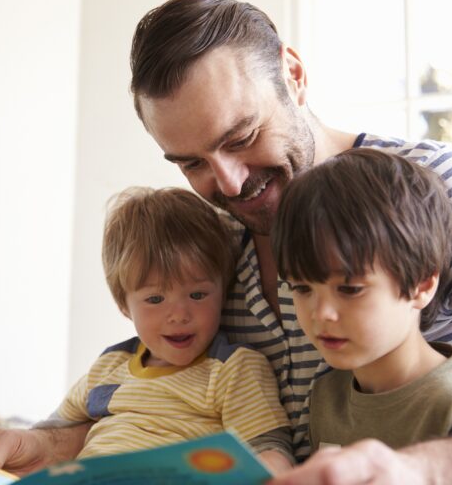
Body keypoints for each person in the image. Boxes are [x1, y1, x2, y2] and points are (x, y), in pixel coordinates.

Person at [0, 0, 452, 484]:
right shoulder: (209, 240)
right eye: (191, 163)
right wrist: (45, 446)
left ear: (294, 76)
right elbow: (167, 403)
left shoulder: (437, 187)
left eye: (243, 136)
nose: (230, 183)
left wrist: (418, 470)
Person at [39, 186, 294, 472]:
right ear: (124, 304)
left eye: (197, 295)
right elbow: (48, 433)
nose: (178, 315)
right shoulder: (109, 366)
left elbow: (269, 452)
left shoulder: (232, 369)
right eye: (155, 299)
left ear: (224, 292)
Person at [272, 148, 452, 451]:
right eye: (301, 288)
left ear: (422, 286)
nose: (322, 313)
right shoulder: (326, 395)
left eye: (350, 289)